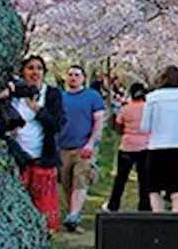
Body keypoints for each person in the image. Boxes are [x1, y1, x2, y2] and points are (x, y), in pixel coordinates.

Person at [9, 56, 64, 233]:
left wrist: (38, 110)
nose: (35, 72)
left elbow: (56, 125)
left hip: (42, 156)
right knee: (17, 202)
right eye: (30, 68)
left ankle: (42, 240)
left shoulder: (52, 94)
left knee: (43, 205)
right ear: (23, 71)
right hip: (18, 156)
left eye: (39, 68)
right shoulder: (13, 95)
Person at [141, 66, 178, 213]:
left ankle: (158, 222)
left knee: (154, 189)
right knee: (177, 192)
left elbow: (145, 127)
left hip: (156, 148)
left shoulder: (152, 98)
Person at [57, 64, 106, 232]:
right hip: (63, 147)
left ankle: (74, 216)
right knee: (66, 183)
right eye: (70, 74)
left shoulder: (92, 96)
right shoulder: (60, 97)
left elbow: (99, 121)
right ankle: (71, 214)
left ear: (83, 78)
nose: (73, 77)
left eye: (77, 75)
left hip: (84, 146)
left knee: (81, 179)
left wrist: (92, 143)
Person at [106, 82, 151, 212]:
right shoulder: (149, 108)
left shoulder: (125, 108)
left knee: (121, 178)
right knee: (144, 179)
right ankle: (144, 206)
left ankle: (113, 205)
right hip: (146, 147)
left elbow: (118, 126)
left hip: (127, 146)